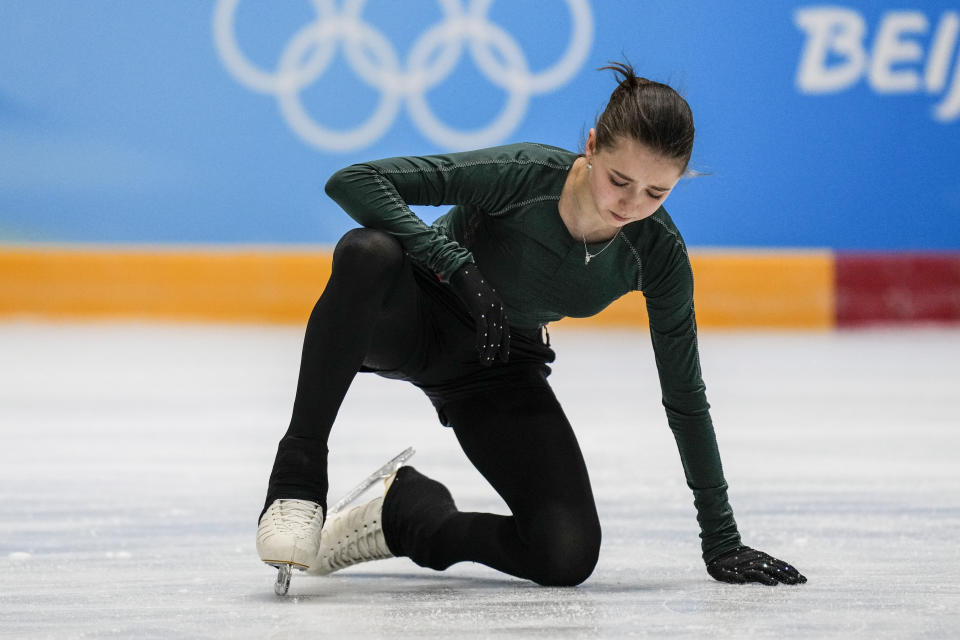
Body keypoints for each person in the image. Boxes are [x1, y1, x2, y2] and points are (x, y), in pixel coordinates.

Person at [255, 62, 807, 588]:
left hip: (498, 364)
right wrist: (454, 263)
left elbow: (685, 396)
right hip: (415, 315)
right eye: (619, 180)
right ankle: (296, 484)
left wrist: (722, 540)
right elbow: (354, 180)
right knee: (367, 252)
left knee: (565, 552)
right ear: (591, 146)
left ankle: (406, 516)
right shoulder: (524, 176)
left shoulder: (656, 253)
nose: (631, 204)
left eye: (656, 192)